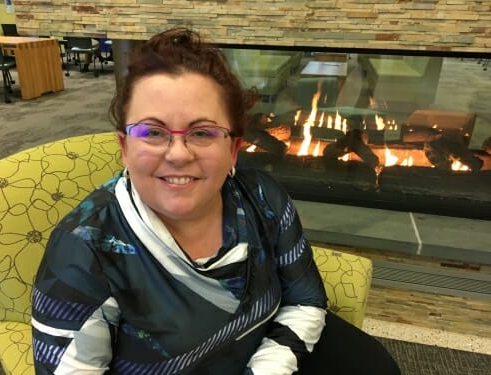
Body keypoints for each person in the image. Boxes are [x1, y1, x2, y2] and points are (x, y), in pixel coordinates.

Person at [31, 27, 400, 374]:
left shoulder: (262, 198)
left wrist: (268, 367)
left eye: (203, 132)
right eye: (153, 132)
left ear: (234, 149)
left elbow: (304, 300)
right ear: (125, 147)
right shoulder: (84, 249)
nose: (178, 154)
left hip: (269, 351)